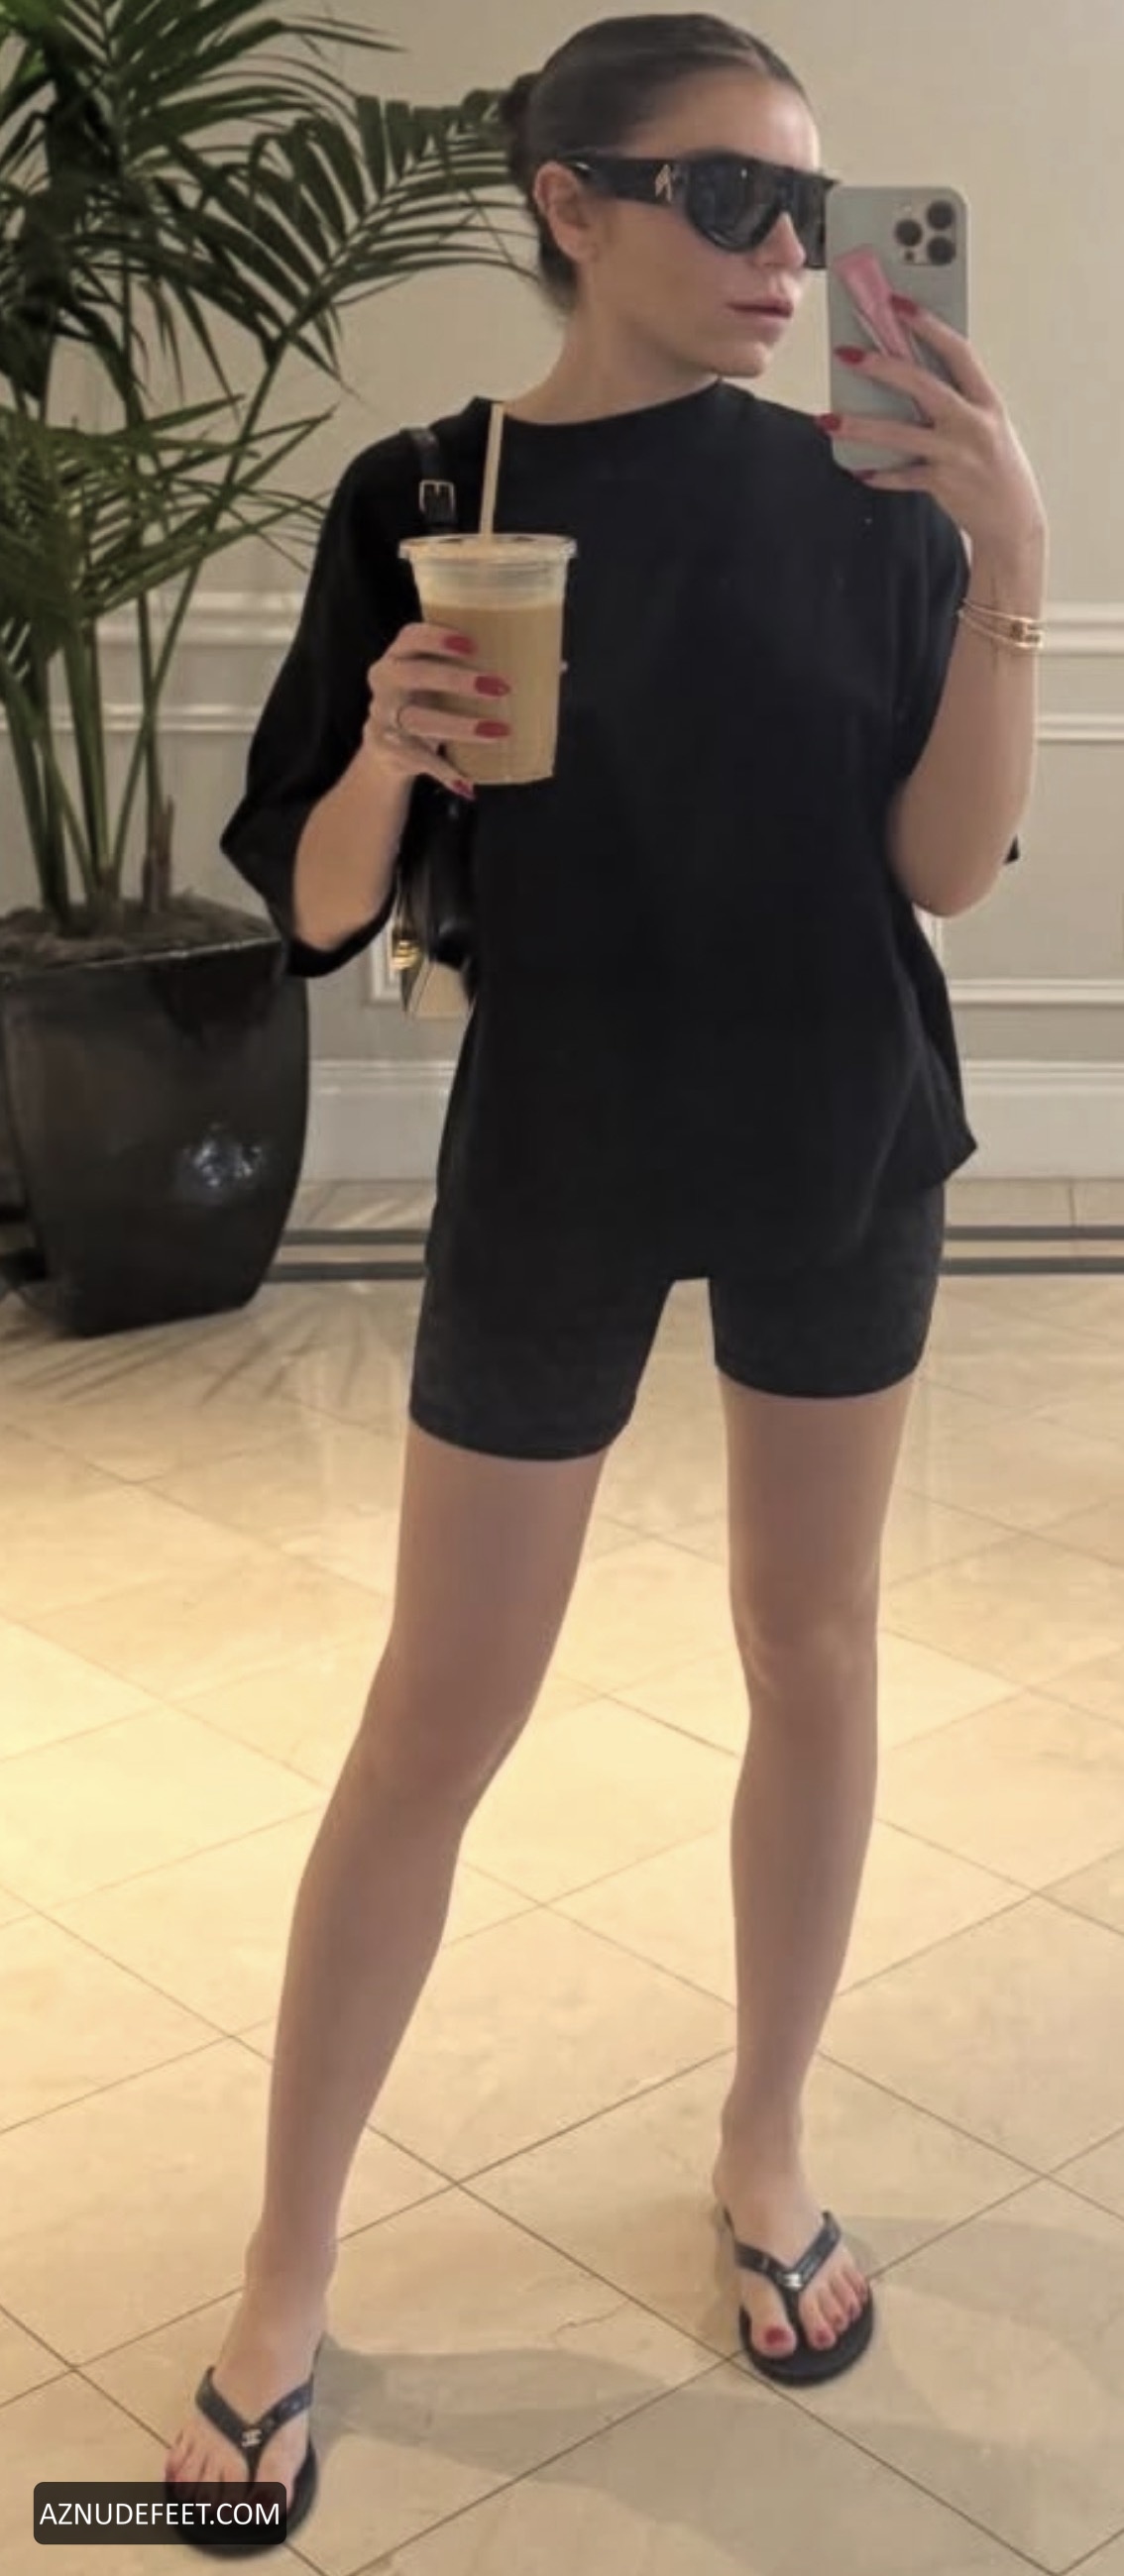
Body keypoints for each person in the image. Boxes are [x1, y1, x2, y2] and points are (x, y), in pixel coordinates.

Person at [167, 10, 1046, 2546]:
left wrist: (1009, 570)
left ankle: (767, 2140)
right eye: (728, 198)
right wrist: (387, 748)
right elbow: (315, 908)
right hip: (557, 1131)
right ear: (571, 202)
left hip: (837, 1120)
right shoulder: (427, 491)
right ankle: (285, 2269)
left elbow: (946, 874)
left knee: (814, 1644)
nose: (785, 256)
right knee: (436, 1715)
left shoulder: (878, 494)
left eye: (812, 206)